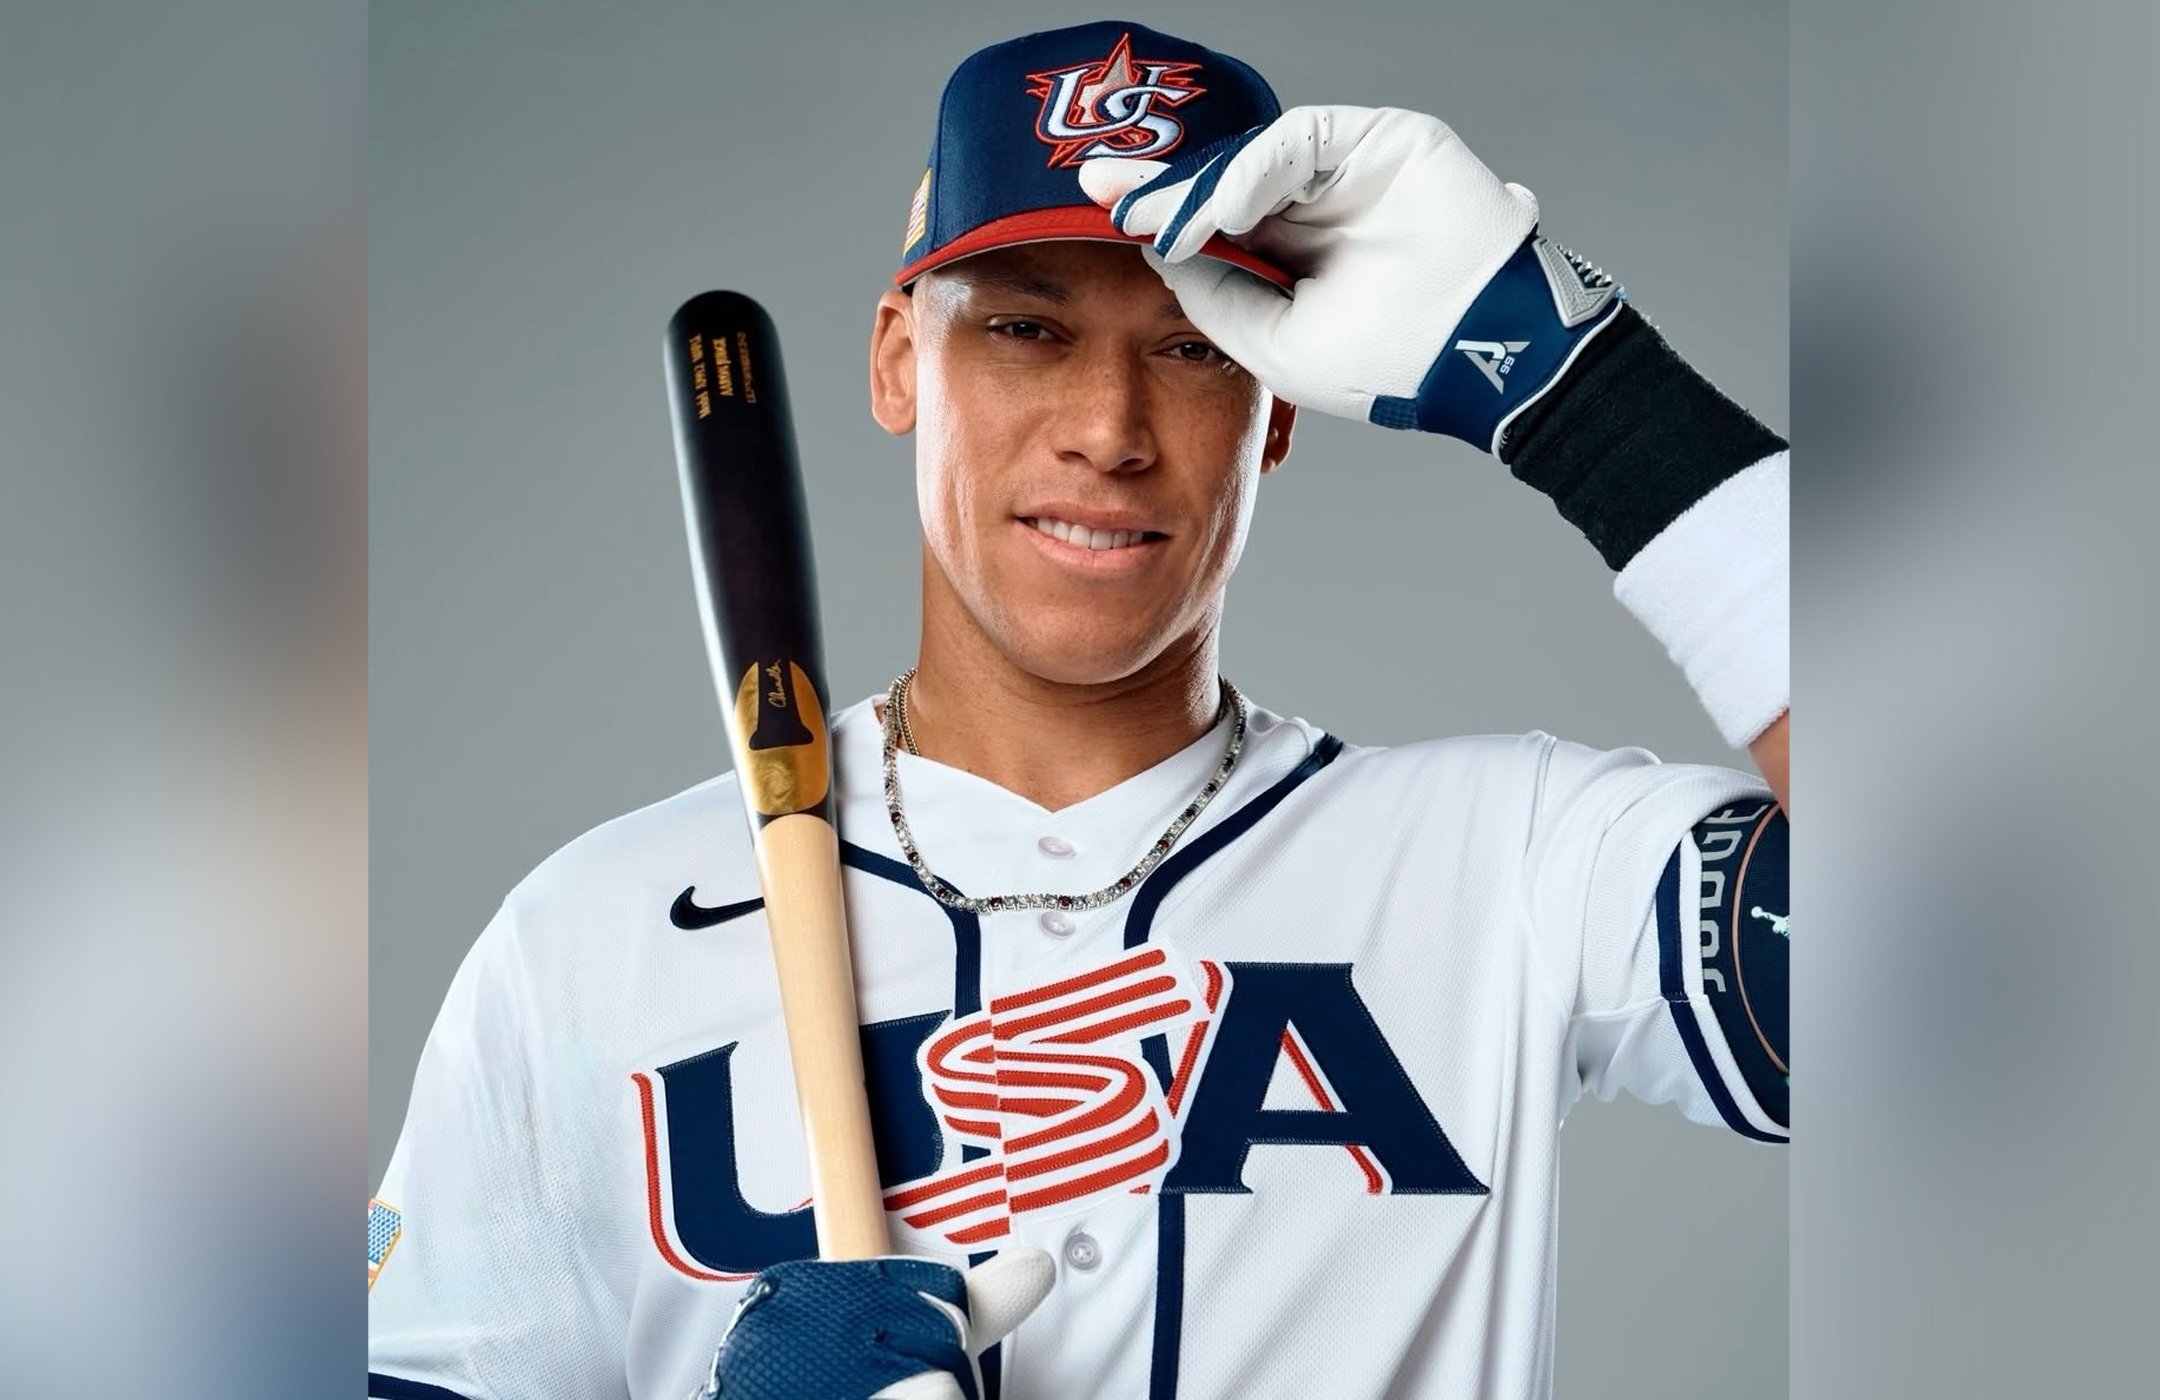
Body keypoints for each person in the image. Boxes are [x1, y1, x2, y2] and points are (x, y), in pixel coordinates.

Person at [368, 20, 1788, 1400]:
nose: (1108, 428)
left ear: (1279, 408)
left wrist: (1585, 395)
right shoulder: (589, 942)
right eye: (1027, 328)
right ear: (897, 361)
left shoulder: (1515, 866)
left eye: (1193, 347)